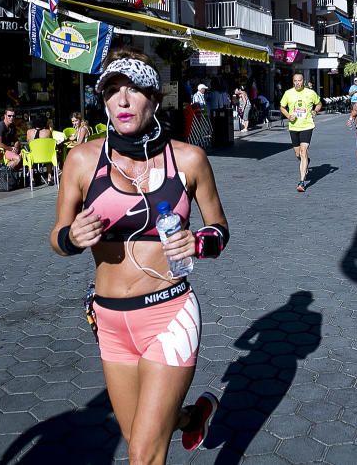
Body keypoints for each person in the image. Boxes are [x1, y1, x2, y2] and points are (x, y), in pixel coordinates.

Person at [50, 49, 229, 462]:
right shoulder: (80, 160)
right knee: (138, 439)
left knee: (144, 455)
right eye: (112, 91)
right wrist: (72, 236)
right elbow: (56, 238)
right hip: (109, 320)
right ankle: (193, 417)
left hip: (168, 313)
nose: (123, 101)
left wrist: (199, 242)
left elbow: (220, 228)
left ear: (155, 97)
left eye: (133, 90)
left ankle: (183, 419)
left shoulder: (188, 159)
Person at [279, 74, 322, 192]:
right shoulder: (288, 93)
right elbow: (282, 107)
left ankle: (302, 182)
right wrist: (288, 115)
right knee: (298, 154)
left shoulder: (310, 93)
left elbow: (319, 103)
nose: (298, 83)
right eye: (295, 81)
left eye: (300, 80)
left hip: (307, 125)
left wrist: (315, 111)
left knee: (303, 151)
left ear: (303, 81)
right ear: (293, 82)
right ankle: (306, 161)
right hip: (293, 127)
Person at [26, 113, 55, 185]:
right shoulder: (48, 132)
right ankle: (49, 177)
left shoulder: (29, 132)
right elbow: (51, 142)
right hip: (46, 157)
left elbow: (28, 142)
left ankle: (32, 179)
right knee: (49, 158)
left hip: (34, 157)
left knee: (30, 156)